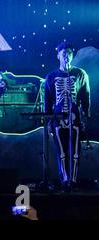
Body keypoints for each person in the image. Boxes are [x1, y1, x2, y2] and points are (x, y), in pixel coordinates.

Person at [44, 42, 91, 189]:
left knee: (75, 151)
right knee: (61, 151)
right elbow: (47, 101)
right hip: (58, 118)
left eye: (69, 53)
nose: (67, 56)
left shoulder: (80, 74)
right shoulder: (51, 77)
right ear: (58, 55)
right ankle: (64, 180)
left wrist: (85, 116)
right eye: (64, 53)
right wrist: (49, 120)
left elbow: (86, 97)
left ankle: (74, 180)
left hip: (75, 117)